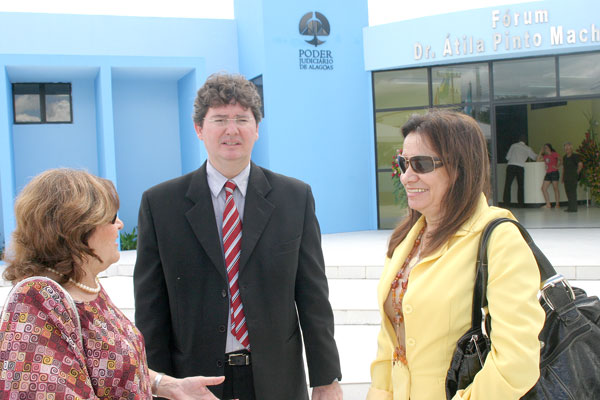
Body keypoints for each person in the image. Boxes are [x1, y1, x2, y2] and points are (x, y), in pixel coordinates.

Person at [133, 73, 342, 400]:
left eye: (242, 119)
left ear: (256, 128)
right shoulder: (160, 204)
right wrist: (158, 385)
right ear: (199, 129)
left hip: (277, 381)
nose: (232, 130)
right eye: (219, 119)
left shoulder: (294, 198)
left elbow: (313, 296)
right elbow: (150, 308)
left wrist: (326, 378)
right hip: (194, 383)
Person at [0, 168, 224, 399]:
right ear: (76, 227)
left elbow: (110, 370)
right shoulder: (37, 297)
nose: (120, 224)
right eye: (110, 217)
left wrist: (169, 386)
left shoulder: (86, 286)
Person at [367, 111, 545, 399]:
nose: (406, 177)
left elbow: (517, 362)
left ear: (460, 167)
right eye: (403, 163)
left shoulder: (499, 238)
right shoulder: (406, 240)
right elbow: (390, 338)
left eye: (421, 164)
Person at [502, 135, 537, 207]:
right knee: (520, 186)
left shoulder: (513, 146)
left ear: (519, 139)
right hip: (520, 167)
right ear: (526, 141)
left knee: (508, 184)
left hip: (511, 166)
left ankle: (506, 202)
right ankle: (520, 203)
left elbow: (507, 157)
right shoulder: (528, 148)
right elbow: (534, 157)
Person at [537, 143, 561, 209]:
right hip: (548, 173)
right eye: (544, 148)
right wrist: (541, 152)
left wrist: (557, 166)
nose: (545, 149)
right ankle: (548, 204)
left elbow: (561, 159)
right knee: (543, 188)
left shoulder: (554, 154)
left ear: (549, 148)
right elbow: (538, 160)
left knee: (555, 188)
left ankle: (557, 204)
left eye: (546, 147)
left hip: (554, 172)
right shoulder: (545, 156)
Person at [562, 141, 583, 212]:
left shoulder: (575, 156)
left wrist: (577, 173)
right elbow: (564, 168)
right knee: (568, 192)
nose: (566, 149)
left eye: (568, 147)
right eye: (565, 147)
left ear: (571, 148)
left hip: (573, 177)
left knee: (572, 192)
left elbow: (580, 164)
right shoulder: (564, 157)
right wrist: (563, 177)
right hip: (566, 177)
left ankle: (573, 208)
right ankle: (570, 207)